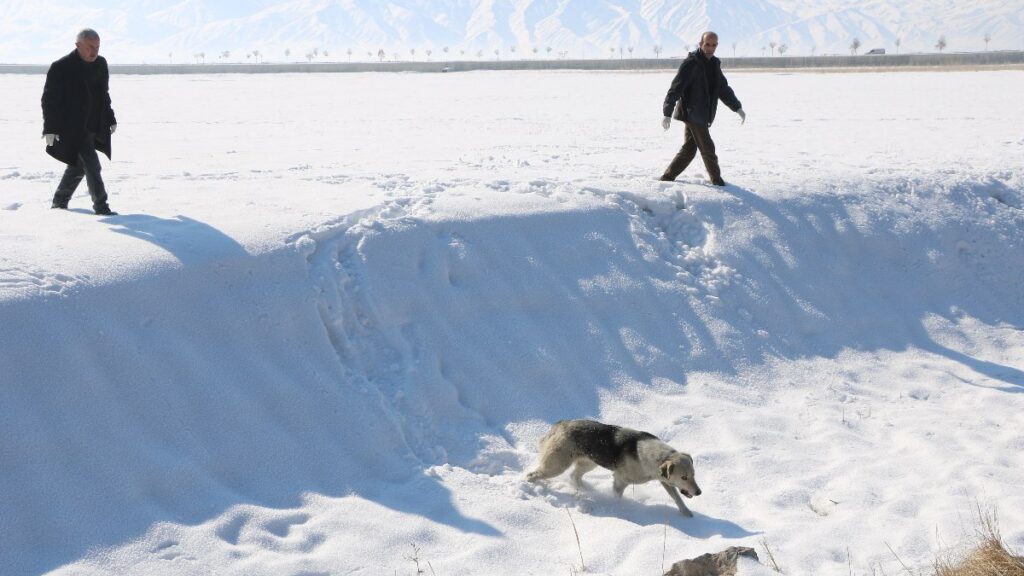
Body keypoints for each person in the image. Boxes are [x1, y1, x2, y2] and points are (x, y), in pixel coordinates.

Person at [42, 28, 118, 215]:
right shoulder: (61, 67)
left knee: (78, 166)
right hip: (72, 128)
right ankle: (101, 207)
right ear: (78, 45)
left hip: (94, 124)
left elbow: (103, 94)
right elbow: (49, 100)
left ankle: (59, 201)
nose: (94, 51)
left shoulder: (101, 64)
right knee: (92, 164)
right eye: (90, 47)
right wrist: (50, 128)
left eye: (97, 47)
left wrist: (110, 117)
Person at [660, 31, 745, 186]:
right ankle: (717, 181)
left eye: (713, 45)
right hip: (693, 113)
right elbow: (675, 89)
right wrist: (667, 112)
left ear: (716, 46)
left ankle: (667, 178)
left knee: (689, 149)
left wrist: (737, 107)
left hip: (703, 114)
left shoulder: (714, 64)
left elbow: (723, 89)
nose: (710, 48)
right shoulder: (691, 63)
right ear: (700, 44)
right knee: (708, 148)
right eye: (707, 44)